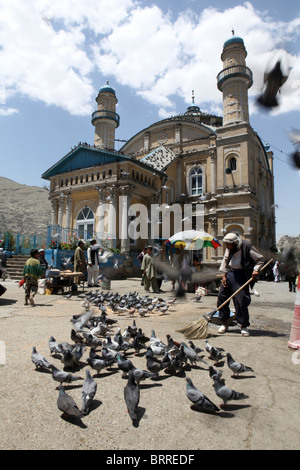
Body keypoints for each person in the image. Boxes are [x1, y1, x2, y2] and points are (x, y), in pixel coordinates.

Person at [217, 232, 264, 337]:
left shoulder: (247, 247)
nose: (227, 247)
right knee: (222, 297)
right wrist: (224, 276)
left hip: (241, 275)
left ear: (235, 243)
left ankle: (243, 326)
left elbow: (260, 259)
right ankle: (224, 323)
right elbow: (225, 261)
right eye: (226, 245)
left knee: (240, 299)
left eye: (229, 245)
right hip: (229, 273)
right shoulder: (229, 248)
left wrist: (256, 270)